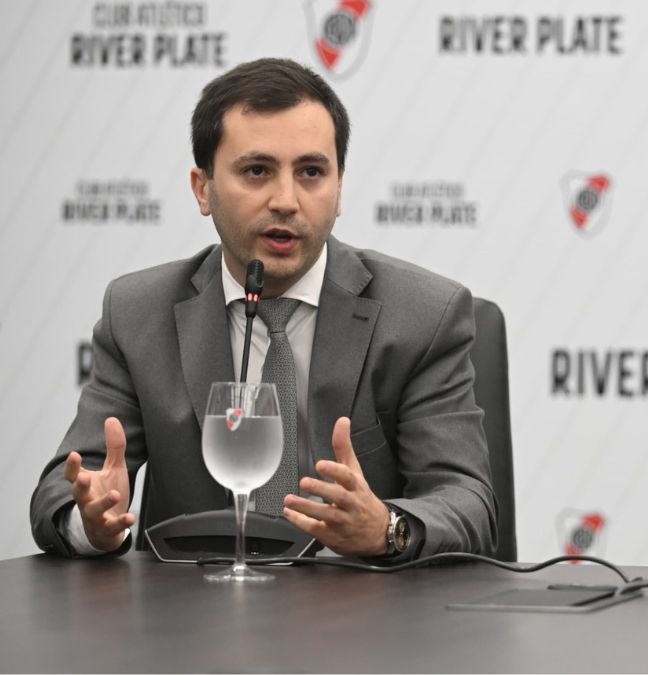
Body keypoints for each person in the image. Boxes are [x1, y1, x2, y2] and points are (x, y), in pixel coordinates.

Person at [30, 58, 496, 561]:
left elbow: (468, 503)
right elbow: (63, 490)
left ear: (339, 189)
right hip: (191, 622)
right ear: (202, 188)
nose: (286, 200)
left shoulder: (423, 316)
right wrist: (91, 520)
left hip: (362, 622)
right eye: (257, 171)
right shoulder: (138, 313)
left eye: (312, 173)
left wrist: (386, 528)